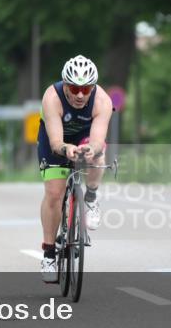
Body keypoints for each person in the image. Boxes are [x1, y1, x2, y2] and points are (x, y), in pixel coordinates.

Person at [36, 55, 113, 283]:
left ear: (93, 87)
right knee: (54, 193)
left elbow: (98, 140)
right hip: (56, 138)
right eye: (74, 88)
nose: (80, 94)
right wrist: (65, 148)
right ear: (65, 85)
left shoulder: (102, 101)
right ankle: (49, 253)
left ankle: (90, 197)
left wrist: (92, 149)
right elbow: (56, 142)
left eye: (86, 89)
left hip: (85, 136)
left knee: (97, 155)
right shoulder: (52, 97)